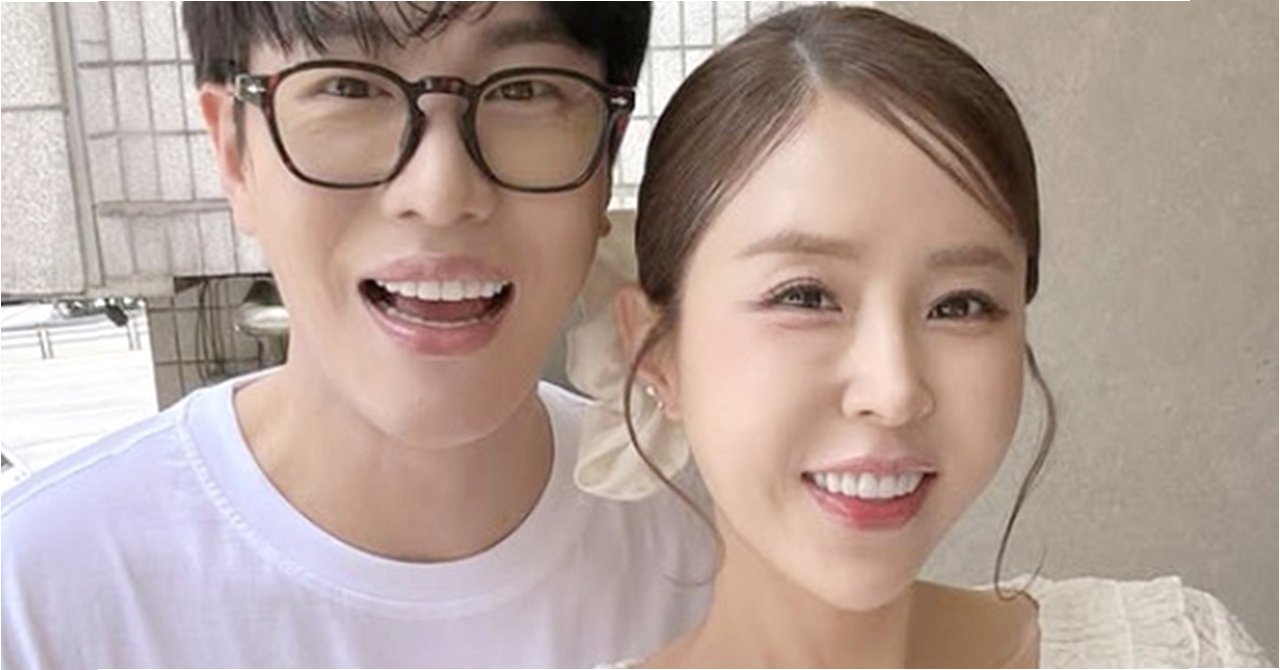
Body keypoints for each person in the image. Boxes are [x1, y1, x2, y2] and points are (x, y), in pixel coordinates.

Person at [1, 3, 713, 667]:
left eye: (524, 90)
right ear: (234, 153)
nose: (440, 193)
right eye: (347, 87)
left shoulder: (721, 547)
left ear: (608, 155)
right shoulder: (37, 605)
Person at [567, 5, 1271, 667]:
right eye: (805, 296)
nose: (895, 390)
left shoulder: (1175, 651)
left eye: (960, 305)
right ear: (655, 351)